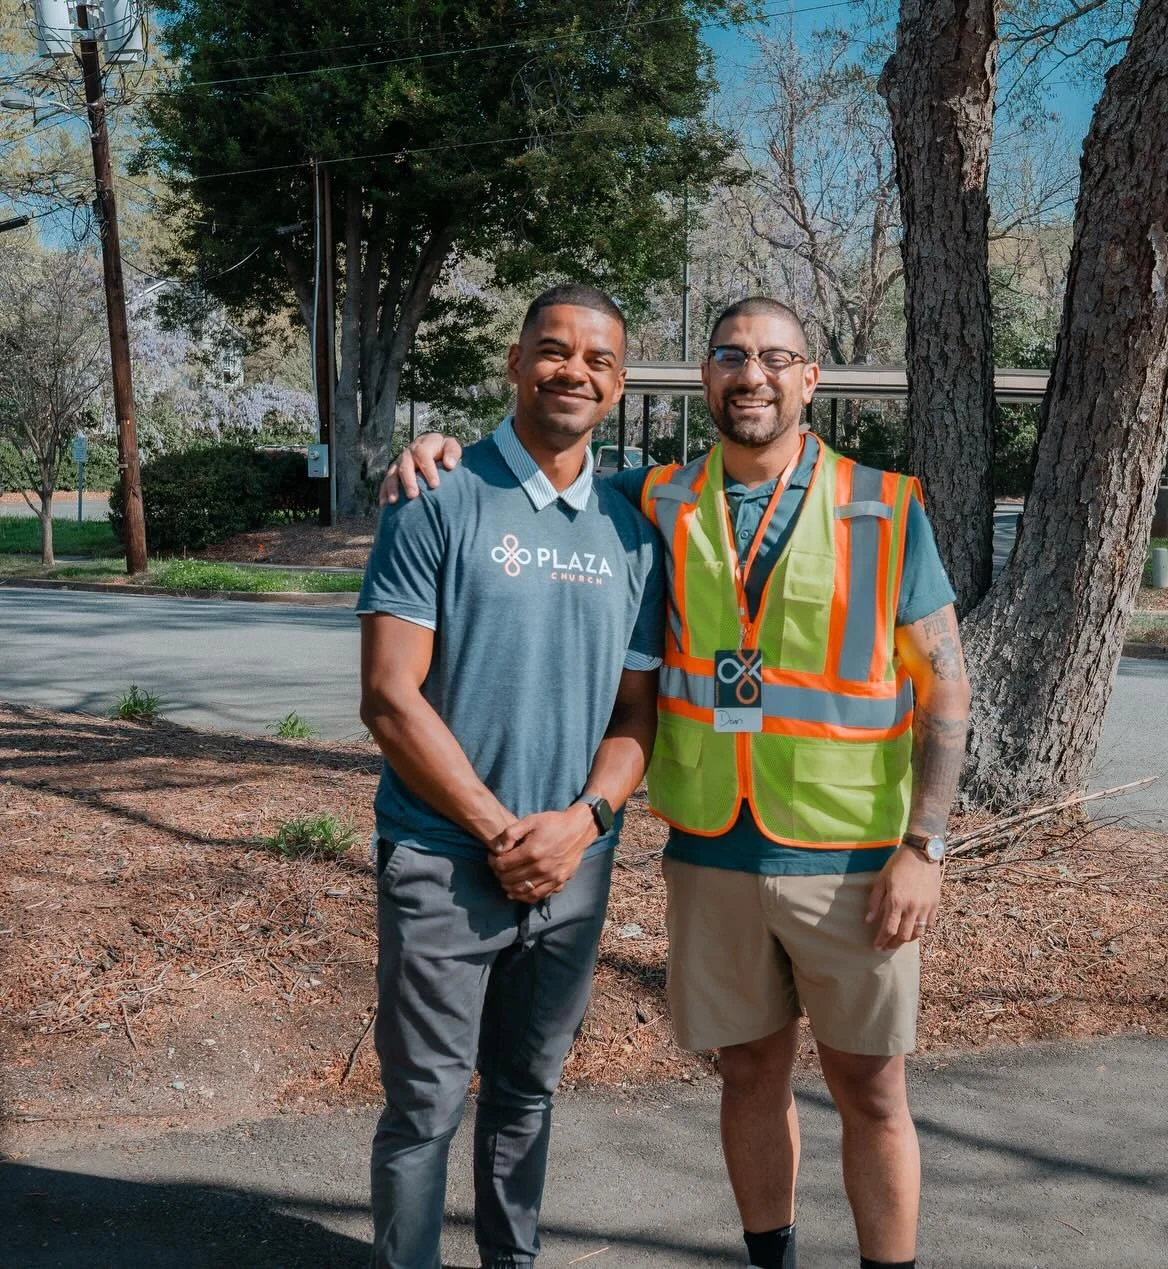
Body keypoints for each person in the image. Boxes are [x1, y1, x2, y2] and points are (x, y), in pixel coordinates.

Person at [385, 296, 972, 1269]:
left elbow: (946, 693)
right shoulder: (654, 499)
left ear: (810, 378)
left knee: (873, 1092)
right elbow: (542, 459)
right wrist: (436, 453)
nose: (753, 376)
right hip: (714, 857)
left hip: (857, 863)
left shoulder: (883, 505)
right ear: (704, 376)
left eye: (777, 358)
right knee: (749, 1075)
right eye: (731, 356)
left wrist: (926, 847)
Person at [358, 283, 664, 1269]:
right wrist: (501, 831)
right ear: (515, 359)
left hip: (573, 871)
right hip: (445, 862)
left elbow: (634, 721)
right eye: (554, 349)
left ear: (617, 387)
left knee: (528, 1094)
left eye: (599, 360)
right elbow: (389, 698)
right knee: (424, 1110)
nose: (574, 370)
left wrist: (578, 824)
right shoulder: (436, 496)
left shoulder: (632, 532)